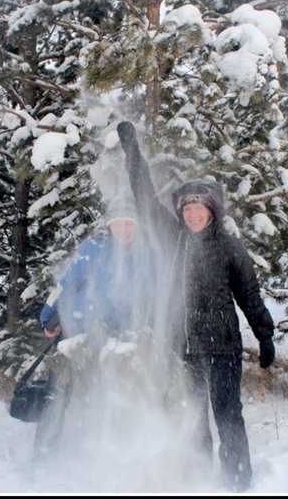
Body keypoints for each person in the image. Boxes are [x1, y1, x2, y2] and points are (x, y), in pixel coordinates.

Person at [117, 121, 276, 492]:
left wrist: (264, 335)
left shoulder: (230, 247)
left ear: (213, 210)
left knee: (228, 416)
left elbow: (250, 296)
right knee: (193, 418)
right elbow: (143, 194)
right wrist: (132, 152)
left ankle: (237, 483)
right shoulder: (172, 237)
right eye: (187, 208)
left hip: (222, 349)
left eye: (199, 208)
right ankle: (199, 481)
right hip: (184, 350)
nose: (192, 214)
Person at [33, 195, 151, 458]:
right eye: (118, 223)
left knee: (110, 396)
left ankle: (108, 457)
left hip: (114, 340)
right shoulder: (93, 248)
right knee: (58, 394)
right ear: (109, 225)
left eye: (129, 224)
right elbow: (64, 284)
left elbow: (148, 297)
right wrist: (48, 315)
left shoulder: (143, 256)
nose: (124, 229)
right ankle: (42, 453)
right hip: (76, 334)